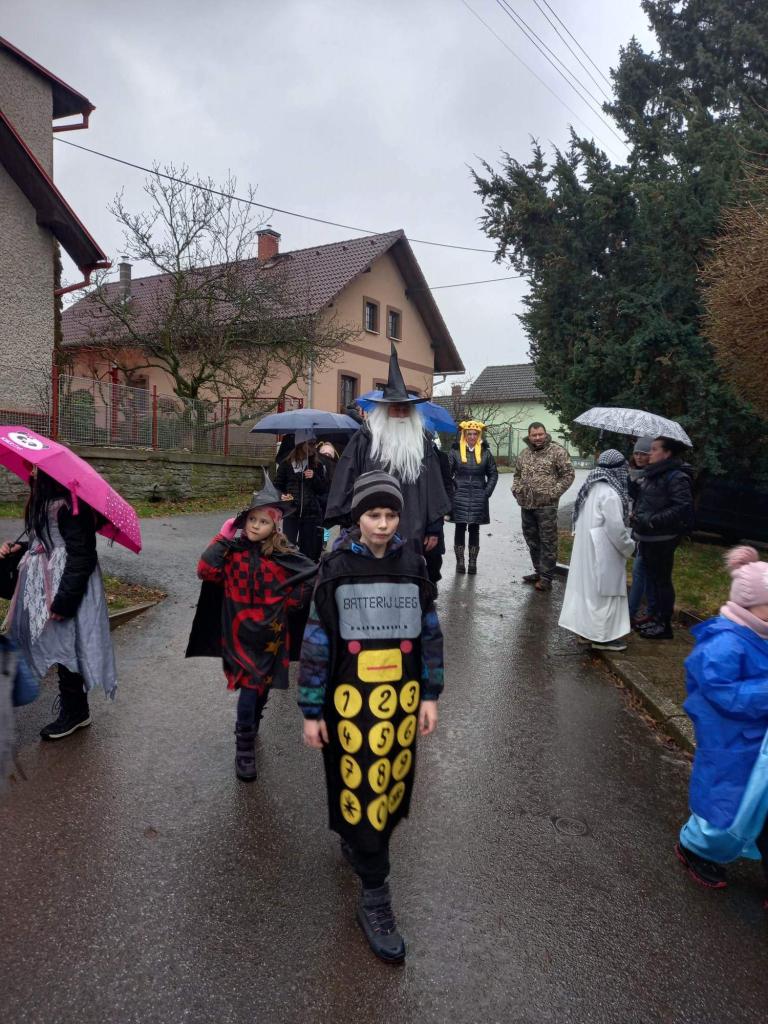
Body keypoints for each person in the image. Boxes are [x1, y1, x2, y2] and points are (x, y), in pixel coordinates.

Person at [298, 471, 444, 964]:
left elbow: (429, 632)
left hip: (399, 706)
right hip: (348, 706)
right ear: (357, 517)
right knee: (359, 787)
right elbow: (316, 642)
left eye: (391, 514)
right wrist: (311, 709)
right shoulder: (336, 567)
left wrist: (430, 693)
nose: (383, 524)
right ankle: (375, 896)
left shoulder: (413, 563)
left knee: (386, 789)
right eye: (373, 514)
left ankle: (361, 846)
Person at [187, 475, 316, 781]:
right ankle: (244, 746)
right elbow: (205, 570)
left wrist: (292, 602)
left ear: (275, 526)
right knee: (250, 686)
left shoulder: (283, 555)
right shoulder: (232, 552)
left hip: (271, 636)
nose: (256, 526)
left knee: (260, 688)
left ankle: (254, 717)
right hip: (239, 636)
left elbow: (309, 576)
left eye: (264, 521)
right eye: (252, 519)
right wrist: (223, 537)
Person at [675, 546, 768, 900]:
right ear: (750, 605)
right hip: (731, 741)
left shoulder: (760, 633)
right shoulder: (725, 643)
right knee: (724, 800)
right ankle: (695, 847)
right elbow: (723, 694)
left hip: (758, 740)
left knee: (758, 804)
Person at [1, 468, 116, 739]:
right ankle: (75, 709)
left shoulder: (70, 506)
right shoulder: (44, 501)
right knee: (51, 642)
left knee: (67, 645)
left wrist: (64, 601)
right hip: (47, 584)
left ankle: (76, 711)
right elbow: (49, 541)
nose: (31, 472)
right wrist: (23, 547)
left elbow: (82, 555)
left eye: (36, 469)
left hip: (66, 588)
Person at [324, 344, 451, 555]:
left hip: (413, 527)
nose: (400, 415)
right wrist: (350, 521)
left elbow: (434, 486)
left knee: (408, 569)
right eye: (395, 409)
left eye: (405, 409)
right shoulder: (365, 439)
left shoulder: (422, 443)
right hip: (370, 529)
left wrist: (434, 527)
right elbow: (347, 478)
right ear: (384, 411)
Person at [558, 450, 635, 651]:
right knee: (604, 596)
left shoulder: (590, 488)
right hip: (603, 551)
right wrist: (630, 546)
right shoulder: (610, 494)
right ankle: (602, 637)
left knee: (589, 593)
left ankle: (586, 631)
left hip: (587, 549)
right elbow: (616, 530)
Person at [631, 436, 694, 640]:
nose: (649, 453)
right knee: (652, 580)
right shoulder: (653, 474)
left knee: (662, 581)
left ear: (667, 453)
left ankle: (664, 625)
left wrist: (652, 521)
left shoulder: (676, 477)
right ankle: (655, 617)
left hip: (662, 538)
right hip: (648, 537)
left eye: (654, 449)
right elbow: (647, 501)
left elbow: (682, 507)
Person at [512, 422, 575, 592]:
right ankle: (539, 571)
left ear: (545, 434)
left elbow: (568, 475)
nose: (538, 437)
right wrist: (516, 489)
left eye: (540, 434)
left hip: (547, 506)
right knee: (531, 539)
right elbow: (517, 475)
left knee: (548, 541)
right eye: (534, 435)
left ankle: (546, 577)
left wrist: (553, 493)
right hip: (527, 504)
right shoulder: (524, 453)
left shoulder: (557, 451)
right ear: (529, 436)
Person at [448, 420, 498, 575]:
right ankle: (460, 562)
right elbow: (447, 474)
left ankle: (472, 563)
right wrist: (453, 491)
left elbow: (493, 474)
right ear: (464, 435)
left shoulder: (486, 453)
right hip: (459, 496)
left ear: (479, 435)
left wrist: (486, 492)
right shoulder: (455, 452)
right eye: (469, 434)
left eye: (475, 434)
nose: (472, 436)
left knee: (475, 529)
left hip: (478, 496)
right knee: (460, 528)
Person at [275, 436, 328, 562]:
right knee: (288, 547)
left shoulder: (317, 465)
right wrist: (282, 495)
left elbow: (323, 489)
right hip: (291, 512)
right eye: (310, 444)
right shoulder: (286, 464)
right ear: (300, 444)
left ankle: (307, 571)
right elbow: (277, 486)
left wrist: (314, 477)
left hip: (311, 514)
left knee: (309, 550)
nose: (313, 447)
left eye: (314, 444)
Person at [627, 437, 656, 628]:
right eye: (636, 453)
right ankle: (650, 611)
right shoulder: (633, 474)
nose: (639, 457)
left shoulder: (653, 477)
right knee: (646, 572)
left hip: (651, 530)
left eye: (643, 454)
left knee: (640, 571)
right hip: (639, 527)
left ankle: (631, 613)